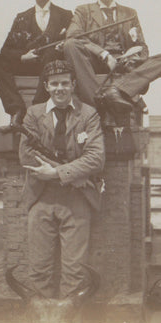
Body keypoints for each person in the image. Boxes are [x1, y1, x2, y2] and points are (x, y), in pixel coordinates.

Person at [19, 60, 105, 299]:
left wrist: (56, 173)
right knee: (38, 271)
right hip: (40, 198)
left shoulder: (88, 114)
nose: (60, 89)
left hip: (77, 200)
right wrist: (68, 174)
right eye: (54, 84)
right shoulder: (34, 114)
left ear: (73, 85)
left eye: (65, 83)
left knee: (75, 273)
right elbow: (27, 155)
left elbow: (96, 158)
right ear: (46, 86)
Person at [63, 0, 161, 114]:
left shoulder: (130, 13)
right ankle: (98, 98)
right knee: (70, 44)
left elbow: (142, 46)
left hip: (124, 64)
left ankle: (118, 88)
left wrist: (133, 59)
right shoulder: (83, 11)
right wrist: (104, 55)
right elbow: (73, 35)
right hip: (96, 62)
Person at [0, 0, 73, 131]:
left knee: (51, 54)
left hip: (52, 67)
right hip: (27, 64)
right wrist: (22, 57)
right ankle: (17, 109)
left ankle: (35, 109)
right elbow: (6, 50)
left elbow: (73, 41)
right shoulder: (22, 18)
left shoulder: (65, 15)